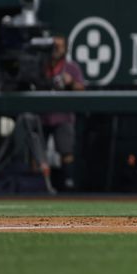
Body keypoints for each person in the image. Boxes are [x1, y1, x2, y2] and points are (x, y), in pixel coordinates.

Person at [43, 35, 84, 190]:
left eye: (60, 46)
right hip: (42, 116)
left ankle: (68, 186)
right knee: (37, 154)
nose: (56, 49)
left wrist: (71, 82)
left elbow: (82, 90)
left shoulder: (71, 67)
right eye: (54, 45)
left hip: (63, 116)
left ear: (66, 48)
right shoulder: (42, 66)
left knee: (66, 152)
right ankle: (36, 189)